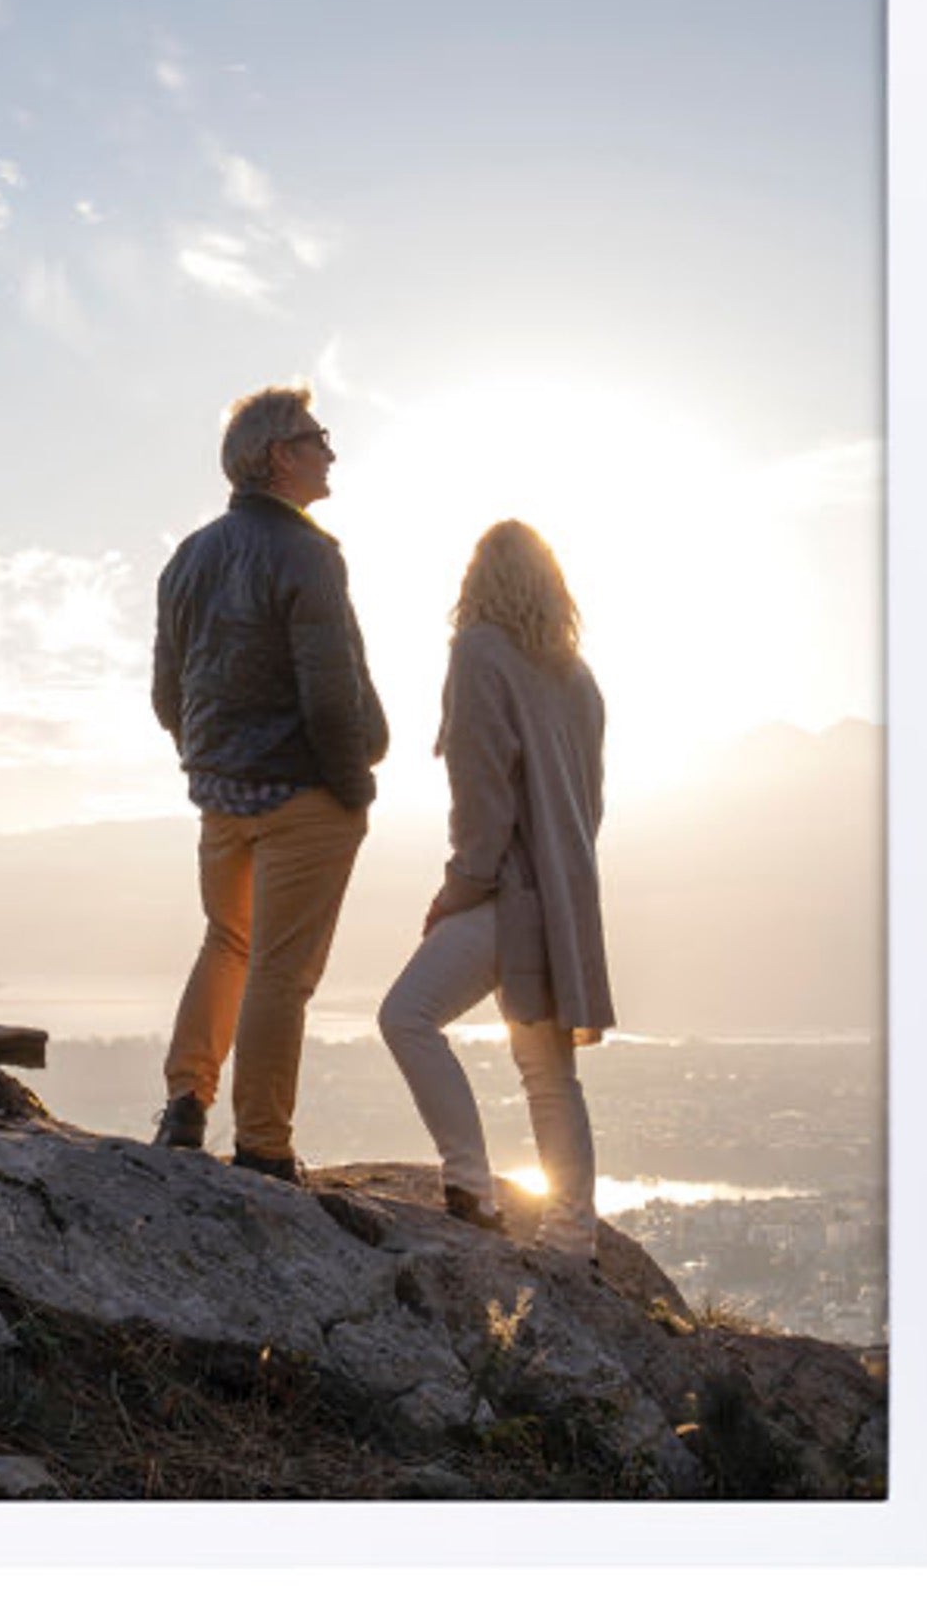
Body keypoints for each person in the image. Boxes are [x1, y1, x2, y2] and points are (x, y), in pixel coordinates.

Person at [151, 384, 388, 1182]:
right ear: (279, 455)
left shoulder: (188, 556)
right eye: (317, 437)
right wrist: (352, 785)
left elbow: (166, 693)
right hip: (303, 793)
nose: (330, 451)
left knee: (226, 942)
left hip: (220, 796)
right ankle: (262, 1146)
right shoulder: (307, 552)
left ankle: (186, 1100)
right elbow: (330, 685)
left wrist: (209, 758)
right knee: (281, 973)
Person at [377, 519, 614, 1258]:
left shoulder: (479, 653)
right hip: (564, 895)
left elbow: (480, 793)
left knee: (407, 1016)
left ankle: (469, 1188)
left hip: (508, 887)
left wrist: (461, 885)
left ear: (477, 583)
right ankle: (571, 1236)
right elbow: (591, 799)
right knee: (548, 1073)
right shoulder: (576, 676)